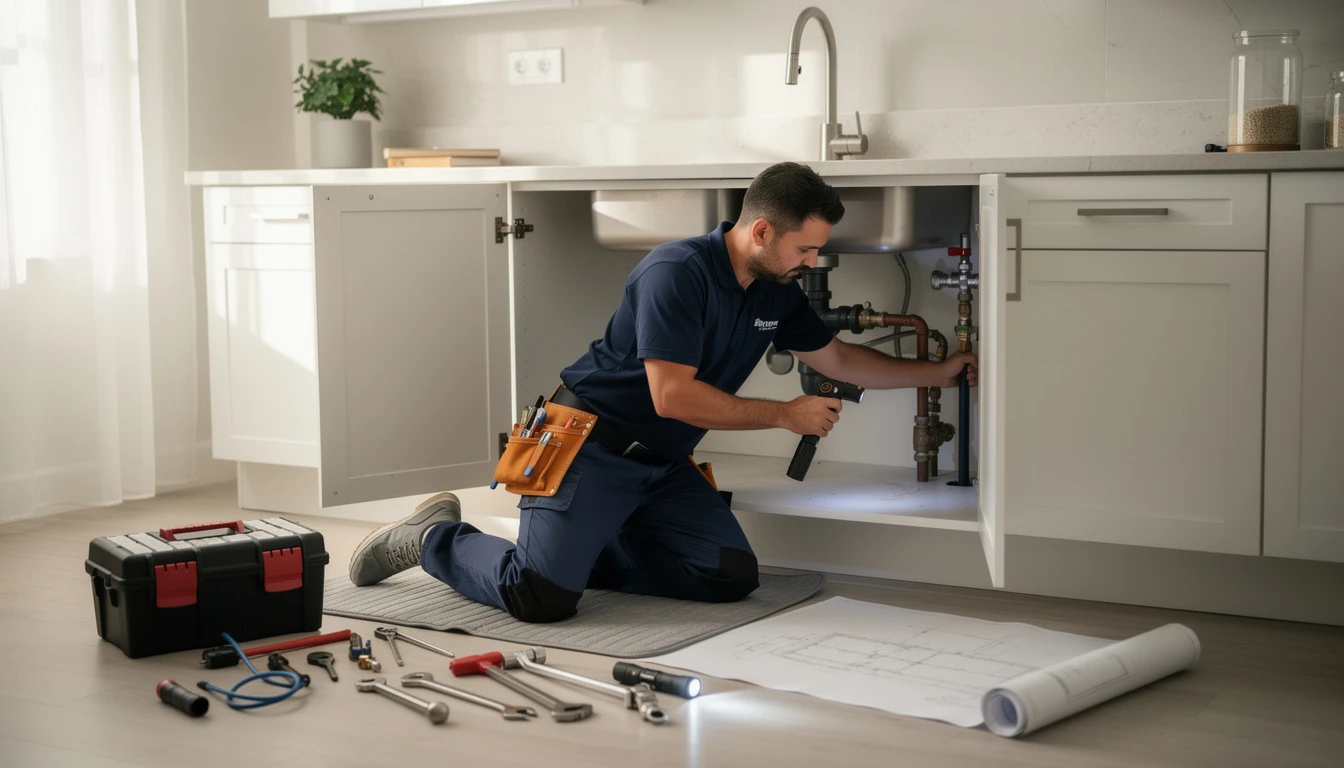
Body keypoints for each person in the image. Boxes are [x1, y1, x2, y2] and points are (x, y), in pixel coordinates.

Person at [347, 161, 978, 622]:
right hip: (587, 446)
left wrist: (941, 372)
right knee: (540, 599)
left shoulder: (776, 291)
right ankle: (434, 539)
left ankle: (581, 545)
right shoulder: (677, 274)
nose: (812, 262)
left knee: (729, 575)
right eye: (804, 248)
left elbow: (837, 355)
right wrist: (787, 414)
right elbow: (673, 396)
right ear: (761, 233)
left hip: (659, 465)